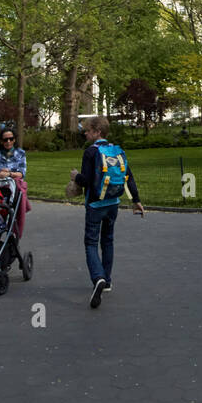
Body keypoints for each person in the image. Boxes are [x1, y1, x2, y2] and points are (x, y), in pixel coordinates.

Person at [70, 116, 143, 308]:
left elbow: (86, 180)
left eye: (87, 130)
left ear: (97, 132)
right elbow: (129, 177)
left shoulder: (91, 152)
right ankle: (108, 280)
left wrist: (75, 176)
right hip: (113, 203)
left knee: (91, 243)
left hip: (95, 205)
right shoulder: (117, 151)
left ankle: (98, 277)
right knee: (108, 240)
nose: (84, 133)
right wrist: (136, 200)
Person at [0, 129, 30, 236]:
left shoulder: (20, 153)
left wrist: (10, 174)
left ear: (14, 140)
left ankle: (12, 232)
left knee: (12, 205)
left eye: (11, 139)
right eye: (5, 139)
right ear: (1, 141)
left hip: (13, 187)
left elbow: (21, 173)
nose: (8, 142)